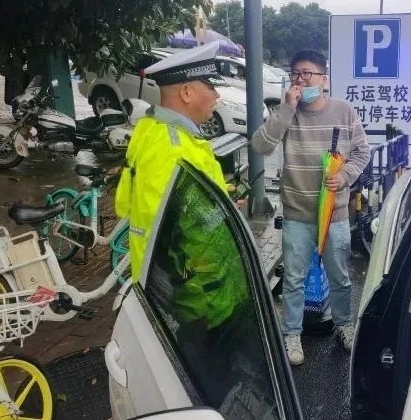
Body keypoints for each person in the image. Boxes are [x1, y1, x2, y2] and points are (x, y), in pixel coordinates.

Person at [251, 49, 371, 365]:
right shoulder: (286, 113)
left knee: (340, 276)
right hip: (296, 214)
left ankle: (345, 326)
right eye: (296, 74)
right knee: (293, 278)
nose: (301, 80)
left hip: (335, 214)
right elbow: (259, 146)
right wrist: (286, 110)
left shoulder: (344, 112)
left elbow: (362, 152)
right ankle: (292, 334)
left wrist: (344, 176)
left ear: (324, 79)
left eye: (308, 74)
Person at [114, 41, 230, 283]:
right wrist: (221, 213)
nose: (217, 95)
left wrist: (220, 197)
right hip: (187, 287)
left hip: (180, 279)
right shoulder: (171, 148)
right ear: (186, 92)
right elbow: (170, 225)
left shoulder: (158, 130)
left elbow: (180, 199)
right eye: (211, 87)